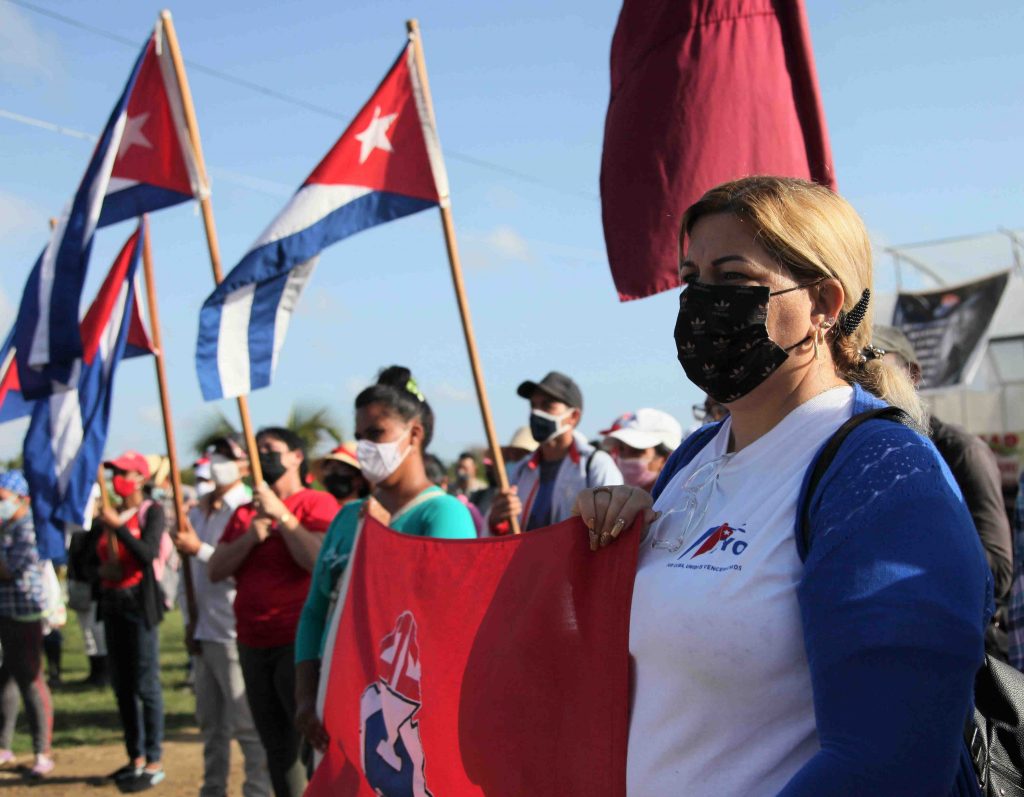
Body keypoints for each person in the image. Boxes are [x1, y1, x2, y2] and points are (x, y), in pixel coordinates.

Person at [575, 176, 989, 795]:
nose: (703, 303)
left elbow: (889, 764)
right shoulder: (695, 456)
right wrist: (619, 531)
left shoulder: (883, 474)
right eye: (692, 280)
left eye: (734, 280)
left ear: (823, 302)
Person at [293, 366, 476, 753]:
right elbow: (314, 611)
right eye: (359, 437)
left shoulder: (443, 514)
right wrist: (307, 697)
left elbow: (440, 618)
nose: (365, 448)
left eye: (376, 434)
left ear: (414, 434)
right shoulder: (347, 517)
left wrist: (380, 545)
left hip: (405, 717)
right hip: (336, 700)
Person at [208, 428, 337, 797]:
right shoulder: (244, 513)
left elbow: (317, 562)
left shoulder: (317, 503)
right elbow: (216, 569)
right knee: (277, 751)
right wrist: (251, 536)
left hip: (297, 644)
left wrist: (282, 516)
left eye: (270, 448)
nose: (262, 455)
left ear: (297, 456)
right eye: (256, 449)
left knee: (310, 742)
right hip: (251, 641)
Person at [873, 323, 1014, 659]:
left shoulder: (960, 452)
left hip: (967, 652)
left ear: (912, 374)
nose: (863, 383)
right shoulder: (866, 456)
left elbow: (998, 571)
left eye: (875, 366)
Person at [171, 436, 270, 797]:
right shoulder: (197, 511)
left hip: (232, 628)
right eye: (215, 454)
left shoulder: (247, 508)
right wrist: (188, 623)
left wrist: (199, 550)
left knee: (246, 724)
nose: (217, 461)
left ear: (245, 465)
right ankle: (213, 789)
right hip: (204, 629)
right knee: (212, 724)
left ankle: (257, 790)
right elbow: (189, 581)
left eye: (227, 456)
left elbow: (238, 568)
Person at [96, 451, 167, 790]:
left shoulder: (151, 512)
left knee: (145, 684)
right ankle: (134, 756)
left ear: (140, 477)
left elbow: (147, 553)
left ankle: (154, 759)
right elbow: (84, 558)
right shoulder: (108, 513)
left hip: (139, 606)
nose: (116, 480)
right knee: (122, 686)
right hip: (111, 605)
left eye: (123, 473)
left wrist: (118, 528)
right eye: (113, 473)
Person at [489, 371, 622, 533]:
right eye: (533, 405)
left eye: (547, 406)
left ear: (573, 416)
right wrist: (497, 520)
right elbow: (501, 534)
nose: (536, 413)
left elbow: (610, 528)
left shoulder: (595, 465)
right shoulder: (521, 470)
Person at [0, 470, 54, 779]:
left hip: (25, 615)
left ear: (21, 499)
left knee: (31, 680)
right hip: (6, 612)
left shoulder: (29, 527)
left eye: (2, 498)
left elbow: (10, 570)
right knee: (6, 679)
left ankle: (42, 752)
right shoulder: (6, 527)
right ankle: (4, 746)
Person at [602, 409, 682, 491]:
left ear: (666, 459)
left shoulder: (683, 500)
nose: (625, 458)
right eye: (621, 449)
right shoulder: (618, 500)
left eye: (636, 451)